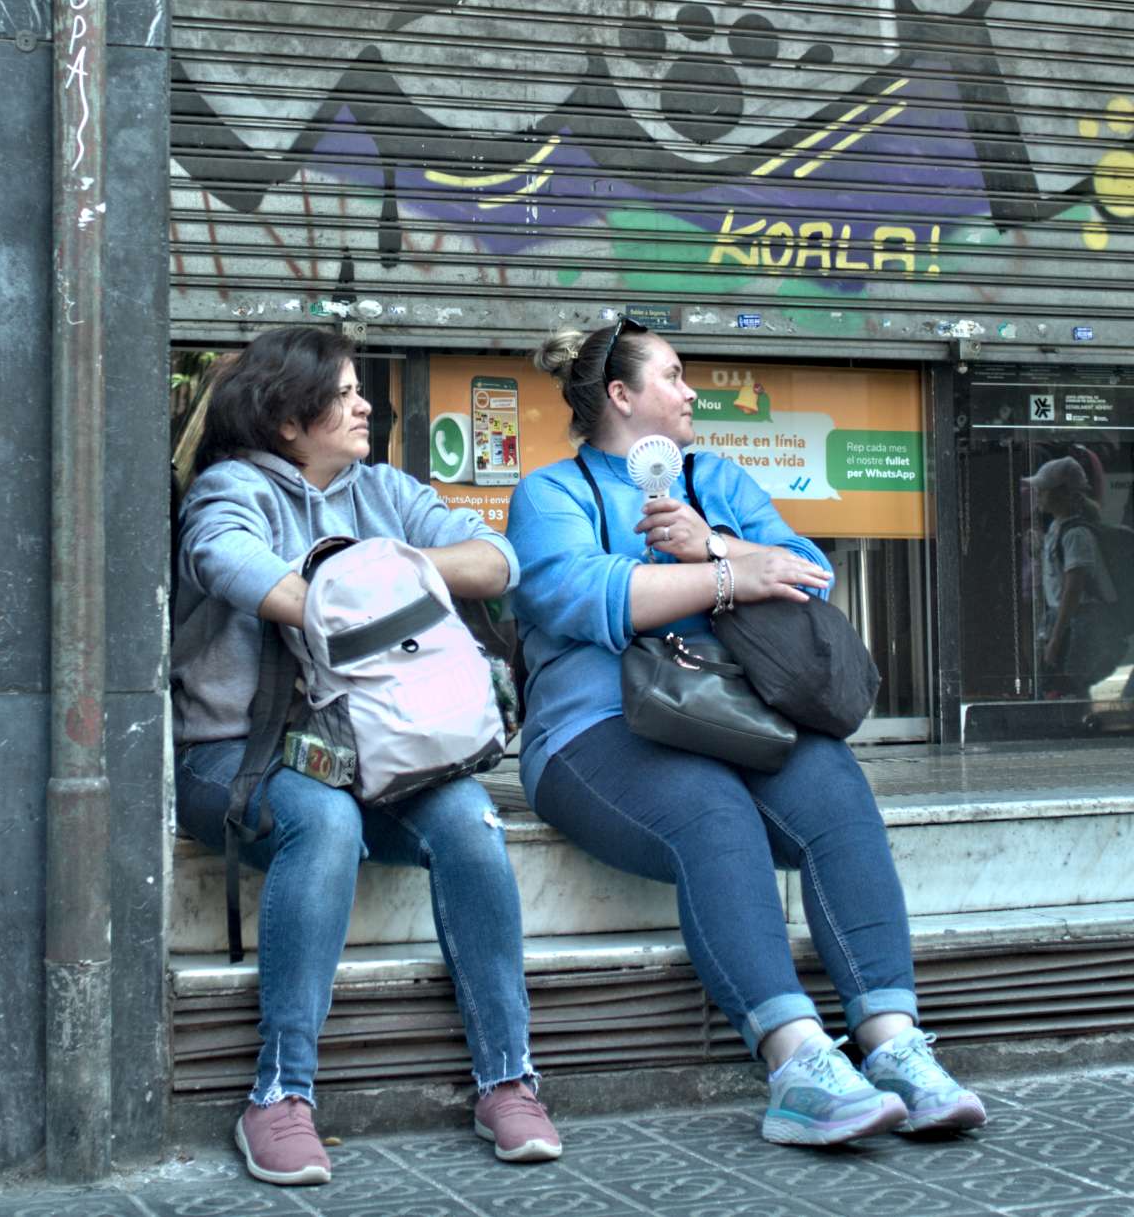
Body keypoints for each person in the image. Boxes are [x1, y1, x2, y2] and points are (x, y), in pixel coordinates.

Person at [505, 317, 986, 1147]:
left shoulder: (716, 478)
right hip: (593, 733)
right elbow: (584, 599)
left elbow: (805, 570)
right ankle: (797, 1061)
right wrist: (730, 575)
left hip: (734, 714)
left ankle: (894, 1042)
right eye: (675, 376)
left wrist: (712, 541)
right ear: (620, 396)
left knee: (836, 790)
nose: (693, 392)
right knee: (711, 812)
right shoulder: (552, 494)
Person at [172, 325, 559, 1185]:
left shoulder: (381, 491)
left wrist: (389, 567)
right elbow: (224, 558)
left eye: (360, 390)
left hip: (380, 750)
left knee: (470, 821)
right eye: (344, 392)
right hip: (232, 759)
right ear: (285, 417)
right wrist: (342, 598)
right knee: (324, 819)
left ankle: (508, 1080)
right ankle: (278, 1095)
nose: (366, 404)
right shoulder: (232, 490)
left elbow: (498, 560)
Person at [1030, 453, 1128, 699]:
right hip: (1067, 619)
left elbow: (1073, 589)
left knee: (1072, 684)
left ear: (1064, 494)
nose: (1038, 496)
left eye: (1044, 490)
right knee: (1063, 684)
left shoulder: (1077, 535)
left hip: (1083, 621)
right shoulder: (1056, 529)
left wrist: (1056, 637)